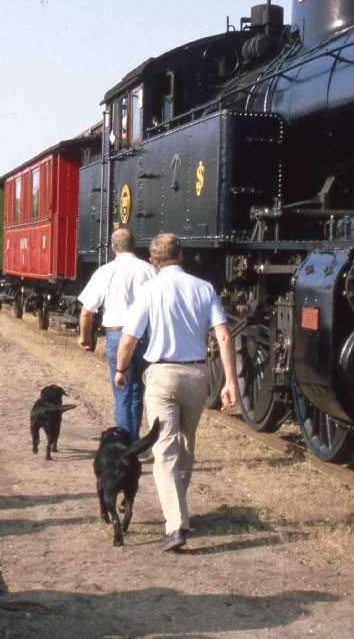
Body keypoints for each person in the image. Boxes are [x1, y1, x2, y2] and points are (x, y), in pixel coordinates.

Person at [117, 232, 239, 552]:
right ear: (181, 255)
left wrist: (120, 369)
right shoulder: (204, 288)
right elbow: (224, 336)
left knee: (164, 450)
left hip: (162, 374)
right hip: (197, 375)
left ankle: (174, 526)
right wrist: (231, 381)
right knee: (185, 444)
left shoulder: (149, 290)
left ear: (152, 261)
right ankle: (180, 515)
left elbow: (129, 339)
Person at [77, 228, 157, 437]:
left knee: (122, 392)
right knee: (137, 390)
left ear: (113, 248)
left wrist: (85, 337)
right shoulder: (150, 270)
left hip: (116, 335)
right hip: (142, 336)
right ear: (134, 245)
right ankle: (133, 440)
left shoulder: (105, 272)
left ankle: (124, 441)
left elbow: (86, 313)